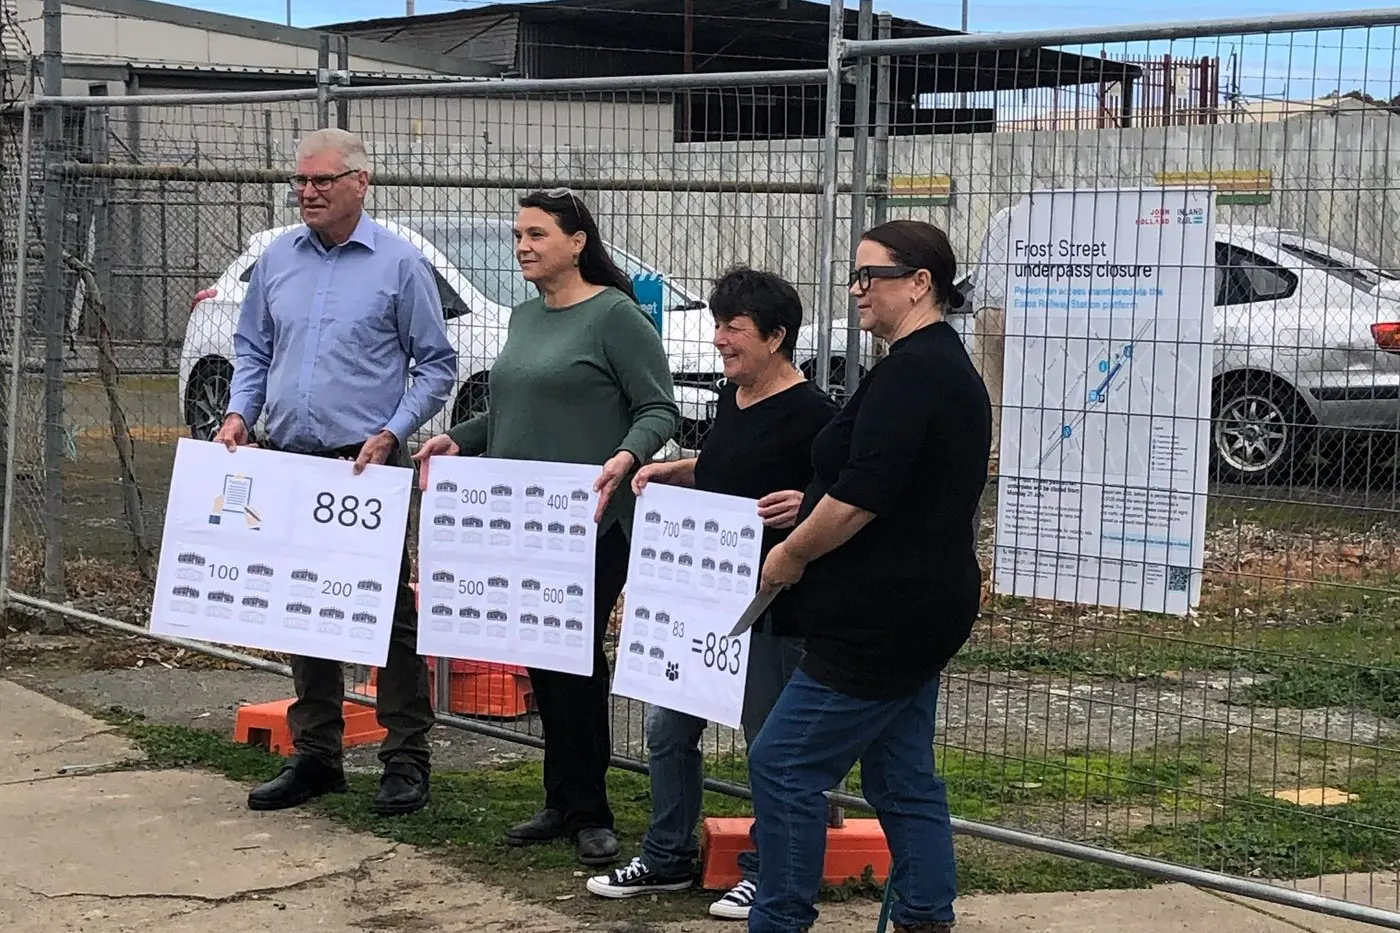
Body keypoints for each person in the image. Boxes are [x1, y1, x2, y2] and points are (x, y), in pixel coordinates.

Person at [412, 188, 681, 867]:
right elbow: (511, 409)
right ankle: (560, 797)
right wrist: (460, 440)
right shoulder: (525, 317)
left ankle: (591, 808)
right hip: (523, 517)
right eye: (518, 235)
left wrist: (626, 456)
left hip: (593, 517)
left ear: (577, 241)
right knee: (539, 650)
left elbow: (658, 409)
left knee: (575, 654)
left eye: (536, 234)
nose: (523, 246)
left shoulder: (616, 317)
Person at [746, 220, 991, 933]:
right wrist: (812, 502)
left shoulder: (918, 371)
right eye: (855, 276)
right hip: (916, 607)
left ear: (920, 283)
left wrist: (792, 552)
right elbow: (880, 482)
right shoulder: (927, 363)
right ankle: (923, 915)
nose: (857, 290)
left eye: (869, 276)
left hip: (884, 619)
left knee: (784, 763)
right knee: (900, 773)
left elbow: (862, 497)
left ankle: (781, 917)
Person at [215, 127, 458, 816]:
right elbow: (253, 351)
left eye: (323, 181)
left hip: (365, 463)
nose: (308, 192)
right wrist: (239, 413)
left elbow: (435, 363)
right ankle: (317, 753)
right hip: (293, 460)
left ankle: (406, 757)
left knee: (388, 613)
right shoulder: (276, 261)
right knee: (302, 604)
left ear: (361, 182)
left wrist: (392, 431)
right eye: (301, 181)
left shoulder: (399, 265)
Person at [584, 267, 838, 919]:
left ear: (777, 336)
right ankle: (667, 854)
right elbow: (729, 462)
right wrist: (674, 467)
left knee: (768, 740)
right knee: (668, 728)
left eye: (734, 327)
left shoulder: (814, 415)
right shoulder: (735, 396)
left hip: (771, 605)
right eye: (718, 323)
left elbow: (843, 493)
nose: (720, 338)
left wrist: (806, 505)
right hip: (701, 597)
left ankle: (771, 867)